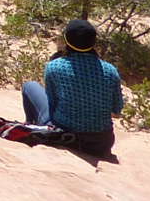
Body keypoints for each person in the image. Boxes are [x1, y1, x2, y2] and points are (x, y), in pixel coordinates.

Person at [21, 19, 124, 157]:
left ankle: (30, 126)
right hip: (101, 142)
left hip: (66, 136)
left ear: (67, 40)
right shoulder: (110, 71)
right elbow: (117, 110)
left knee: (29, 86)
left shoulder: (54, 67)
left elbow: (52, 104)